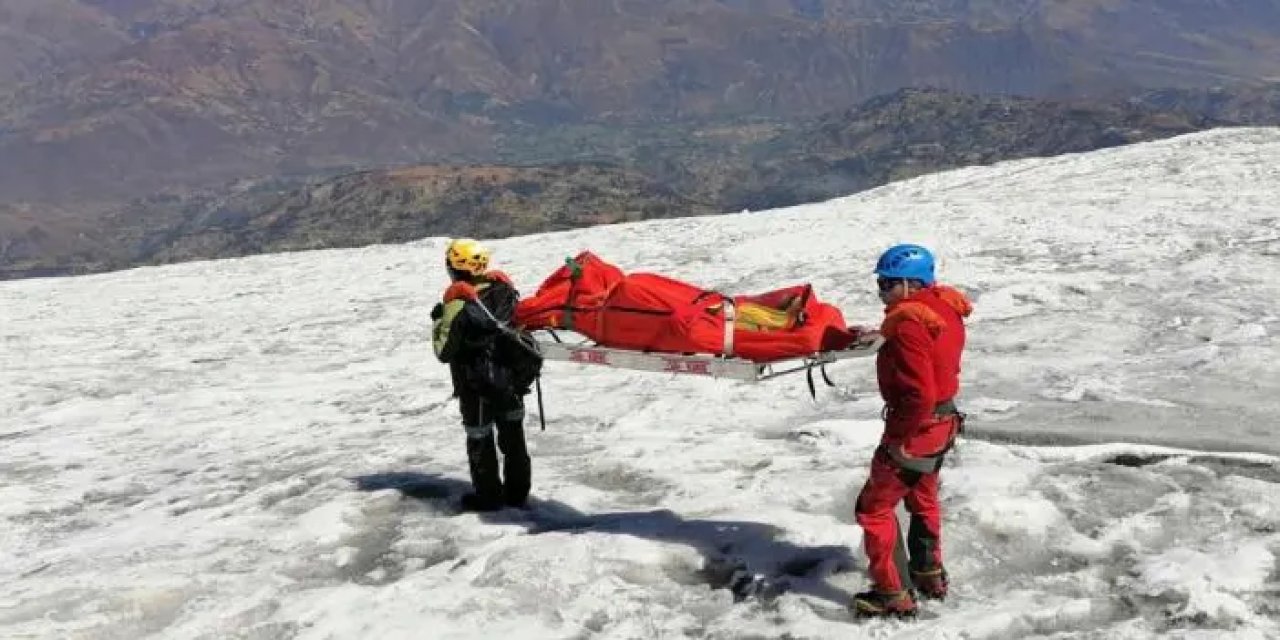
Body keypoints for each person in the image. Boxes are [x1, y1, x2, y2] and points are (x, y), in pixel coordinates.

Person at [851, 243, 974, 618]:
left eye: (887, 284)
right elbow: (930, 347)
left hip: (917, 430)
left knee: (874, 508)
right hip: (943, 424)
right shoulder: (943, 308)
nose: (882, 292)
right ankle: (928, 573)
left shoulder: (908, 324)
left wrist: (898, 442)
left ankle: (892, 593)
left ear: (908, 283)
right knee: (922, 499)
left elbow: (918, 394)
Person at [431, 238, 532, 511]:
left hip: (475, 386)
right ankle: (518, 495)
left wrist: (439, 318)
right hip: (510, 381)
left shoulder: (457, 303)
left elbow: (443, 351)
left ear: (454, 267)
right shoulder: (506, 290)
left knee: (480, 439)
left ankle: (489, 498)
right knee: (513, 438)